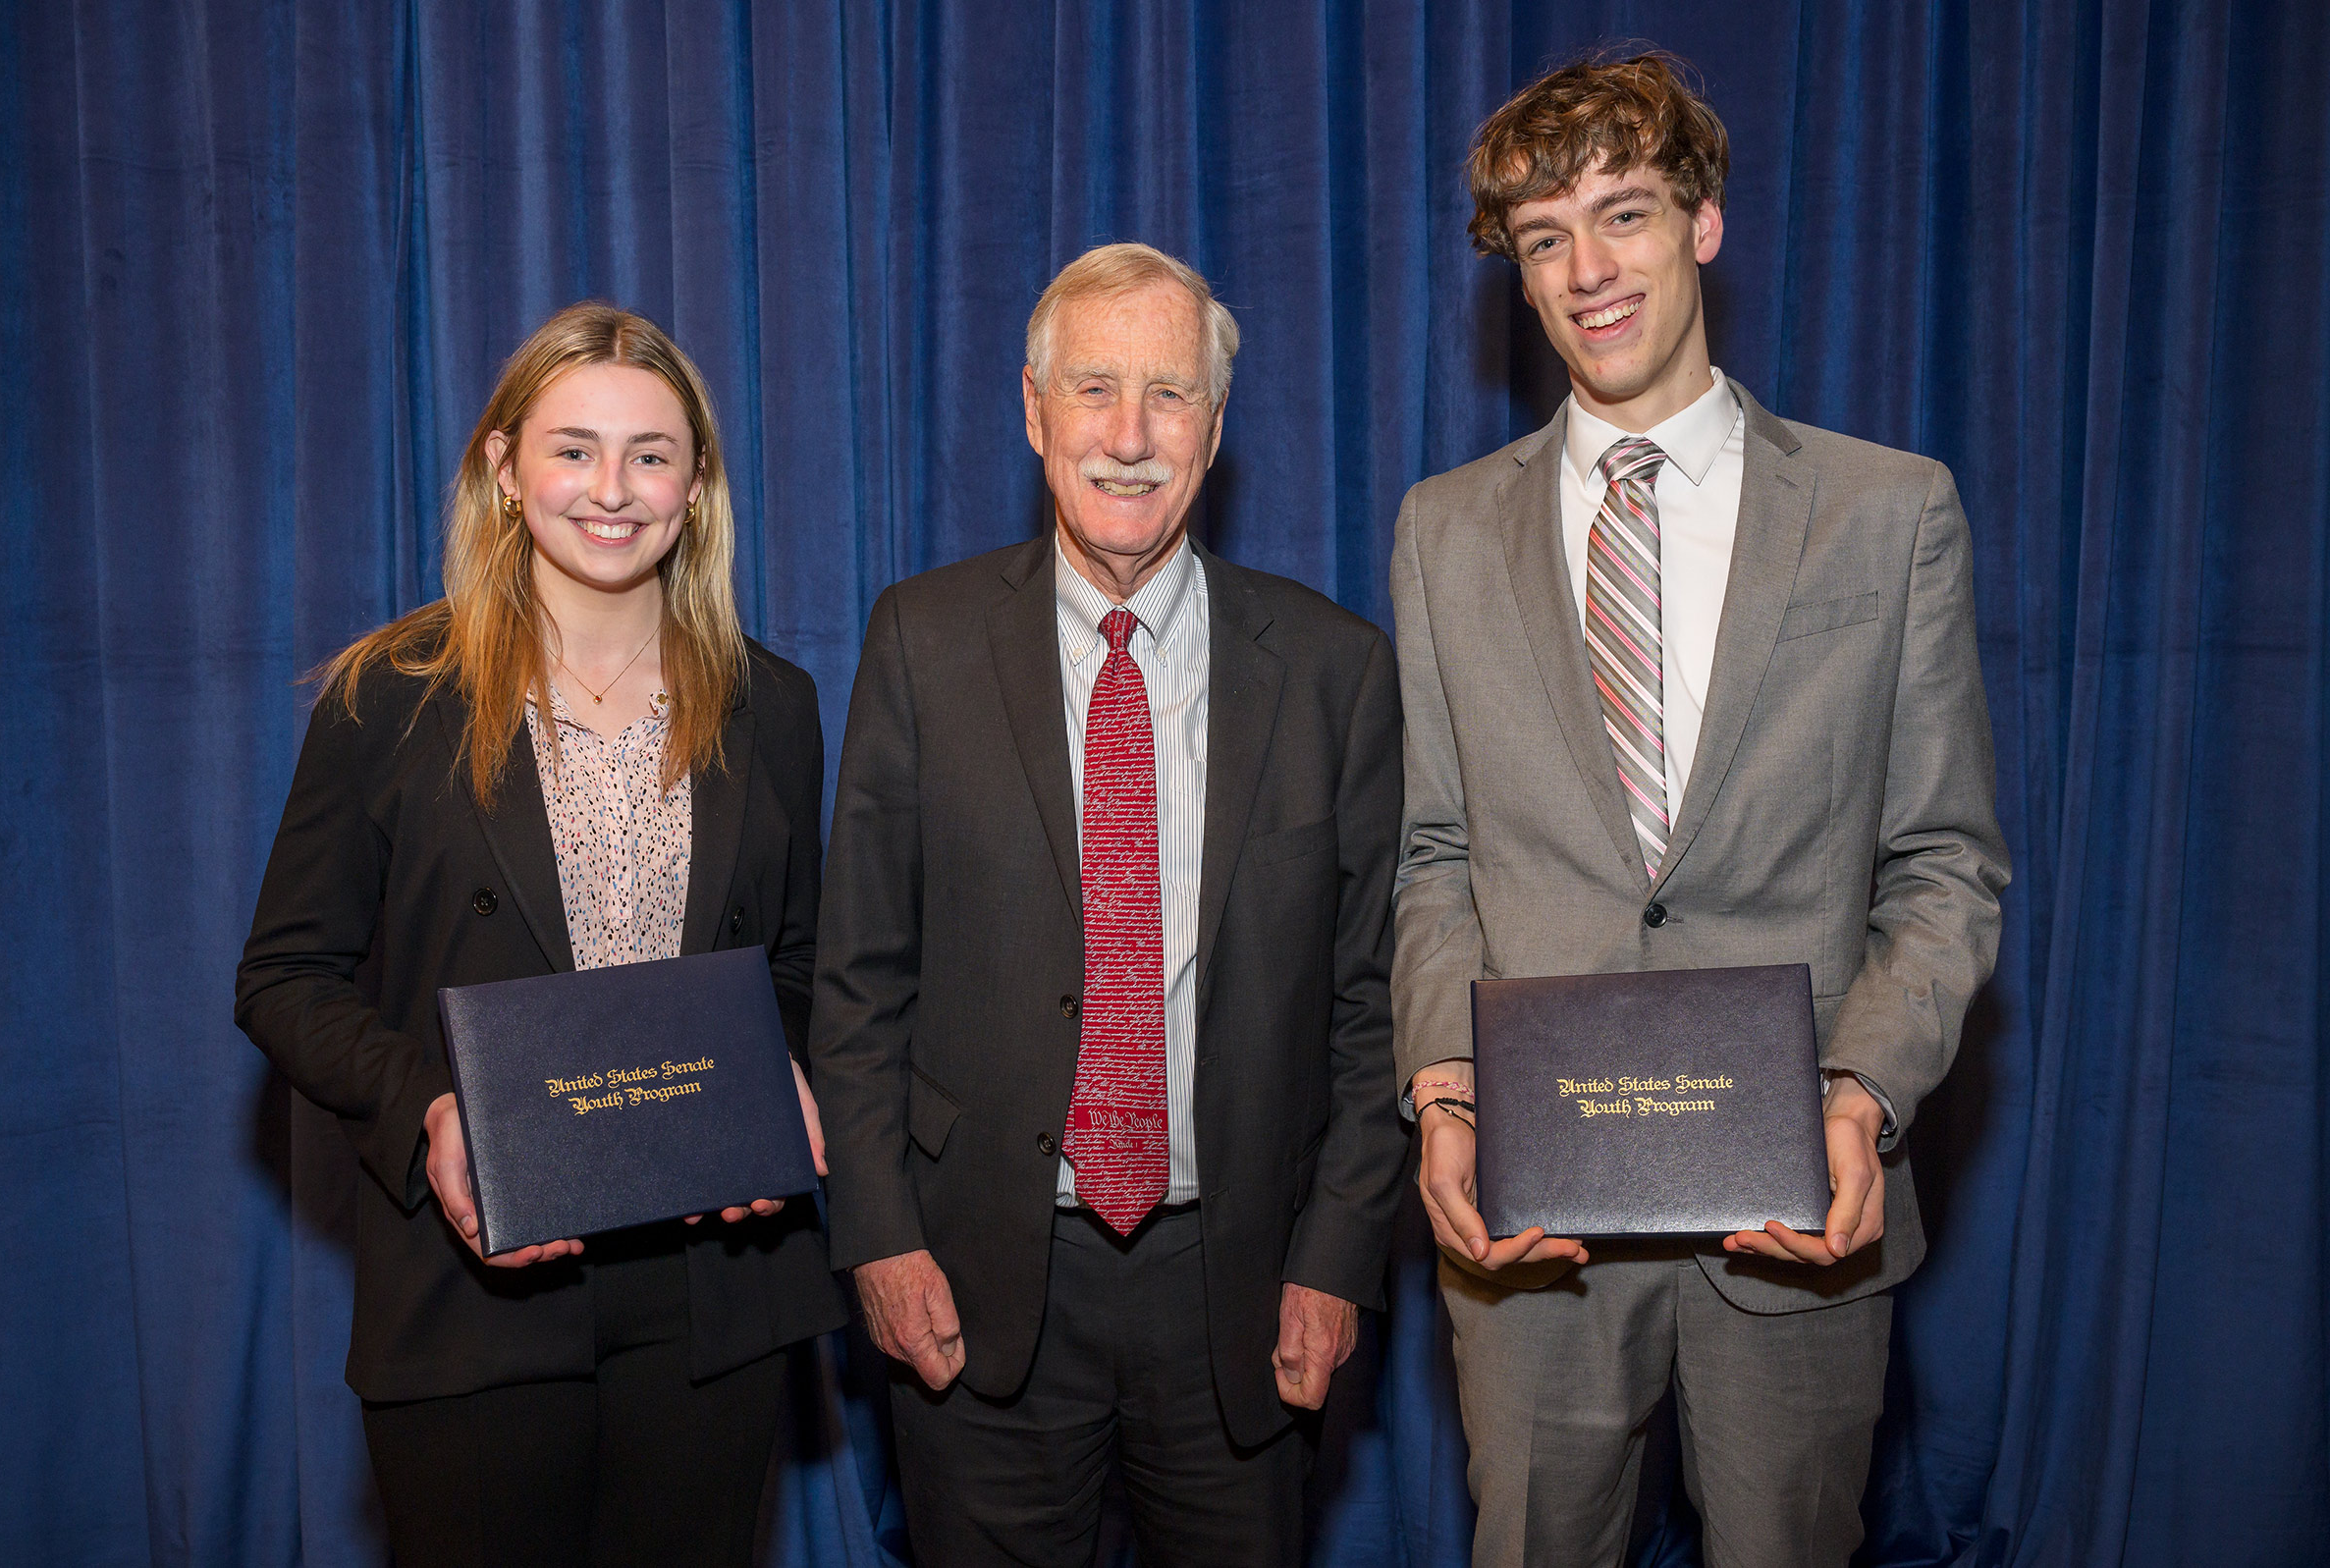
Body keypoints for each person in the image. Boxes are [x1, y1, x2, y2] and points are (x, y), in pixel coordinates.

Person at [1389, 53, 2010, 1568]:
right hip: (1535, 1237)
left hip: (1798, 1221)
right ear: (1518, 274)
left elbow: (1943, 863)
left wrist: (1859, 1094)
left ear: (1704, 224)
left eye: (1625, 215)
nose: (1589, 270)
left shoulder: (1888, 509)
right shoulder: (1442, 530)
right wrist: (1447, 1090)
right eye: (1545, 238)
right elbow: (1438, 855)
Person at [806, 243, 1406, 1565]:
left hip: (1242, 1290)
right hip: (977, 1282)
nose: (1131, 437)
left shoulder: (1335, 672)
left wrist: (1340, 1253)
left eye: (1171, 395)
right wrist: (881, 1238)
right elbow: (859, 982)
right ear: (1033, 410)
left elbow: (1375, 1009)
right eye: (1094, 389)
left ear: (1218, 424)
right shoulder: (921, 640)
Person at [235, 301, 840, 1567]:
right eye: (573, 449)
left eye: (652, 453)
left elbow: (794, 959)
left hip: (710, 1298)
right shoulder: (392, 699)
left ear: (698, 484)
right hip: (476, 1294)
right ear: (504, 470)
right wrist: (430, 1110)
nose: (611, 490)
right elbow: (283, 978)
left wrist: (772, 1071)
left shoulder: (772, 704)